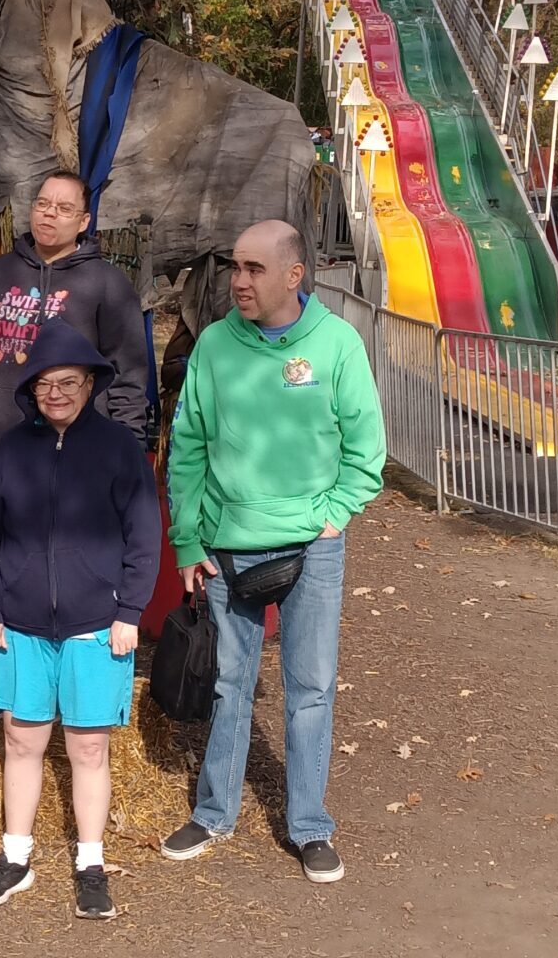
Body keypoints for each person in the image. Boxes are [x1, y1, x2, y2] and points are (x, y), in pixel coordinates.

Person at [158, 219, 385, 884]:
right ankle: (214, 813)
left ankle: (310, 826)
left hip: (312, 547)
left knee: (309, 690)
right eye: (235, 267)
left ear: (295, 275)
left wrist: (335, 516)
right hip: (229, 546)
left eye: (255, 269)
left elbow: (365, 449)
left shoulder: (338, 344)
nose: (238, 281)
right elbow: (189, 445)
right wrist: (188, 540)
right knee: (230, 685)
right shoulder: (216, 348)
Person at [0, 320, 160, 920]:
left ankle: (90, 863)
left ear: (89, 383)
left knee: (89, 746)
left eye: (69, 383)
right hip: (18, 625)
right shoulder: (9, 454)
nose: (57, 394)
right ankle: (15, 858)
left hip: (97, 623)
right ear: (31, 391)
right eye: (45, 385)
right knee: (21, 739)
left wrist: (130, 612)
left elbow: (143, 537)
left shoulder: (120, 450)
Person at [0, 170, 151, 721]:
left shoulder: (104, 284)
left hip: (74, 458)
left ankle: (77, 688)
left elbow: (129, 372)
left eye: (64, 208)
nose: (49, 214)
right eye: (42, 203)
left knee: (64, 566)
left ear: (84, 221)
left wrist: (124, 445)